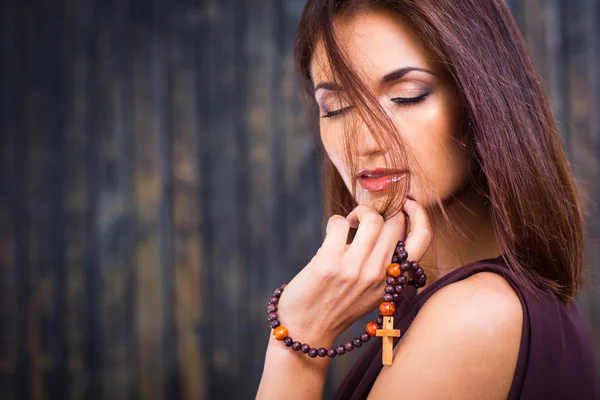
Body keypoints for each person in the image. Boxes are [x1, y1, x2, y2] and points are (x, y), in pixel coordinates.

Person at [256, 0, 597, 398]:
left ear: (480, 101)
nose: (365, 143)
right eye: (336, 108)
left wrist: (298, 338)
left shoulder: (473, 318)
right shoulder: (488, 300)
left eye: (407, 96)